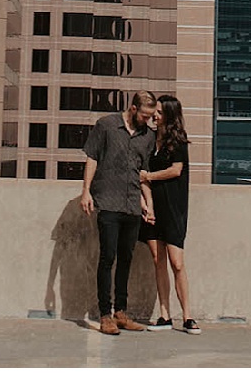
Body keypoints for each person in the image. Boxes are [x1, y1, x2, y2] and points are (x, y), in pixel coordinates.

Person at [80, 90, 158, 336]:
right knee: (108, 258)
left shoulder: (148, 136)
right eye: (145, 115)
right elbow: (92, 158)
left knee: (126, 259)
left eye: (151, 116)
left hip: (132, 205)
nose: (148, 120)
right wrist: (85, 191)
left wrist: (148, 204)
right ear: (133, 109)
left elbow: (143, 174)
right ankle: (105, 315)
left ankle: (121, 313)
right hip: (108, 202)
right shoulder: (106, 125)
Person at [138, 94, 198, 334]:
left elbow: (176, 170)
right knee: (158, 260)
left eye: (160, 112)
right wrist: (147, 204)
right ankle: (164, 315)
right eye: (156, 111)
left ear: (170, 116)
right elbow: (141, 173)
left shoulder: (178, 141)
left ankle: (188, 316)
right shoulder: (149, 139)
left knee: (177, 263)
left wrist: (149, 176)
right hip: (153, 207)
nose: (155, 115)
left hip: (174, 208)